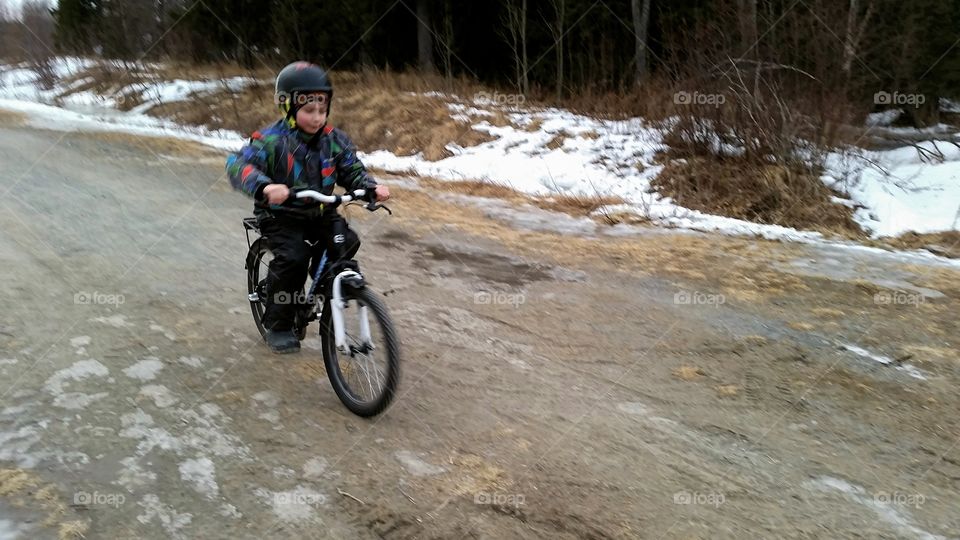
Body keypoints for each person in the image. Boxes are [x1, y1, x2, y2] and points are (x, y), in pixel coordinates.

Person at [226, 61, 389, 354]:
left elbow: (352, 169)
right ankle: (278, 323)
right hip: (280, 215)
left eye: (322, 110)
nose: (317, 117)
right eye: (308, 110)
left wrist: (369, 187)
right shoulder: (271, 140)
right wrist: (265, 186)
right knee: (293, 258)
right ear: (288, 108)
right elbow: (237, 165)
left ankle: (323, 286)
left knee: (347, 242)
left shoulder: (333, 140)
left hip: (320, 212)